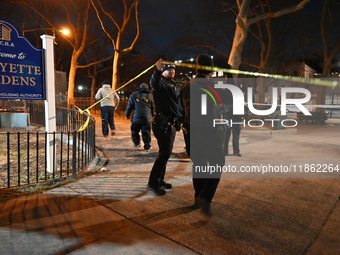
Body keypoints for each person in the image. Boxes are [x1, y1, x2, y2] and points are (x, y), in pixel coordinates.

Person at [180, 54, 226, 216]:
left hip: (191, 133)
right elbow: (216, 111)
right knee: (217, 163)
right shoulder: (211, 86)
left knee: (199, 165)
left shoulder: (187, 86)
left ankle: (198, 198)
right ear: (210, 70)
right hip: (209, 133)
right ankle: (205, 197)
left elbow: (180, 111)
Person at [147, 59, 180, 196]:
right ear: (164, 71)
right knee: (164, 154)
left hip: (171, 123)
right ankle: (153, 183)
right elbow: (154, 82)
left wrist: (179, 122)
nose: (171, 71)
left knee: (165, 154)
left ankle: (160, 180)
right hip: (162, 123)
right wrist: (157, 70)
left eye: (173, 69)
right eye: (168, 69)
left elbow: (176, 106)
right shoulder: (161, 83)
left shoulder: (174, 84)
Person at [125, 83, 154, 151]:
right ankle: (147, 145)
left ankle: (137, 143)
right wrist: (152, 116)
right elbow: (153, 107)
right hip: (147, 118)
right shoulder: (151, 96)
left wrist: (127, 115)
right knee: (146, 132)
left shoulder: (134, 95)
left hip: (136, 117)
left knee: (135, 130)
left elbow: (130, 106)